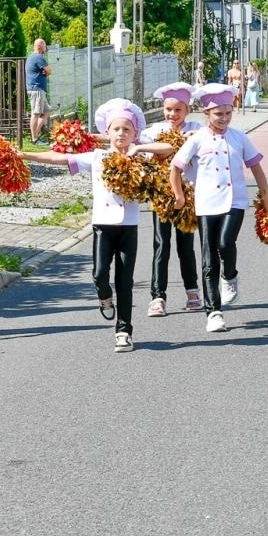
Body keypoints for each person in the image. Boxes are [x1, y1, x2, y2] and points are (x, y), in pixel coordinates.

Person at [17, 100, 173, 353]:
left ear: (134, 133)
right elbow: (60, 158)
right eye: (116, 129)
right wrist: (25, 155)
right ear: (107, 133)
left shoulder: (142, 157)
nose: (121, 134)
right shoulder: (98, 157)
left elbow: (168, 148)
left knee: (125, 281)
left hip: (129, 227)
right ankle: (104, 298)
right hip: (103, 225)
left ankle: (124, 331)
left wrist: (139, 147)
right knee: (100, 274)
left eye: (127, 129)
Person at [170, 83, 268, 334]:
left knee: (226, 244)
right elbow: (176, 168)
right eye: (218, 114)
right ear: (207, 114)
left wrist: (266, 196)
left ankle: (230, 276)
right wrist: (180, 196)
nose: (224, 118)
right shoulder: (196, 140)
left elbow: (256, 168)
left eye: (228, 113)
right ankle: (213, 311)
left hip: (235, 201)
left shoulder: (239, 137)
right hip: (206, 204)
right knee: (208, 258)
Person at [142, 82, 204, 317]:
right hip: (162, 197)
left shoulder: (197, 128)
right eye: (168, 109)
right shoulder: (154, 131)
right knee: (161, 245)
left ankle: (192, 291)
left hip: (187, 197)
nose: (172, 114)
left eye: (178, 110)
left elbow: (203, 139)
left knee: (185, 246)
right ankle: (158, 296)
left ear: (187, 110)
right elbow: (143, 147)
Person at [25, 38, 51, 146]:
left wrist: (45, 72)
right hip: (37, 89)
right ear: (40, 46)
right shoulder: (38, 57)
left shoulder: (31, 57)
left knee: (47, 111)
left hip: (37, 89)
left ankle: (36, 133)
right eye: (45, 45)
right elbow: (49, 70)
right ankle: (34, 138)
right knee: (35, 114)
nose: (46, 48)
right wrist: (45, 72)